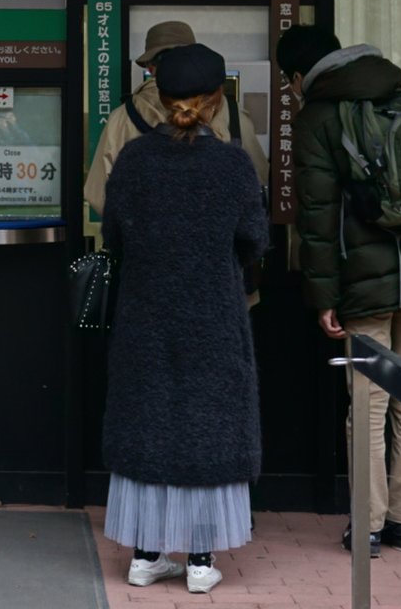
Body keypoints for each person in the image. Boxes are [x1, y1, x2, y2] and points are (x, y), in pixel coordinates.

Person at [101, 43, 268, 594]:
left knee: (150, 425)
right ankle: (200, 562)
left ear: (159, 96)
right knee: (206, 429)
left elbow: (114, 236)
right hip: (213, 315)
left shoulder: (134, 161)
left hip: (146, 312)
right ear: (218, 100)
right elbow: (254, 240)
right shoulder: (231, 164)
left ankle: (145, 556)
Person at [275, 24, 401, 556]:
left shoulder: (317, 116)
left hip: (362, 290)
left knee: (368, 405)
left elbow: (316, 219)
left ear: (297, 75)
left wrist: (324, 297)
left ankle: (369, 524)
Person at [84, 20, 269, 215]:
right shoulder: (232, 113)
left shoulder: (122, 119)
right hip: (218, 242)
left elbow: (98, 195)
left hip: (146, 243)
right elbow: (258, 180)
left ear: (150, 67)